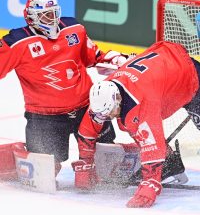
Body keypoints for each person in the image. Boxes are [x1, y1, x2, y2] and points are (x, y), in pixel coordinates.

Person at [0, 0, 129, 177]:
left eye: (54, 13)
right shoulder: (16, 43)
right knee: (43, 174)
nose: (52, 19)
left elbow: (93, 57)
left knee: (106, 160)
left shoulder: (74, 28)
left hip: (87, 108)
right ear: (31, 18)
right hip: (44, 117)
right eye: (46, 15)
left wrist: (114, 58)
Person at [75, 41, 200, 208]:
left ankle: (168, 162)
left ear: (118, 100)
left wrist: (149, 185)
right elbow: (89, 127)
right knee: (129, 123)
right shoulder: (105, 92)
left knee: (134, 124)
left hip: (189, 75)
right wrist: (85, 162)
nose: (107, 118)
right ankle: (171, 163)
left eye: (109, 113)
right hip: (166, 62)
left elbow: (151, 146)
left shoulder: (141, 103)